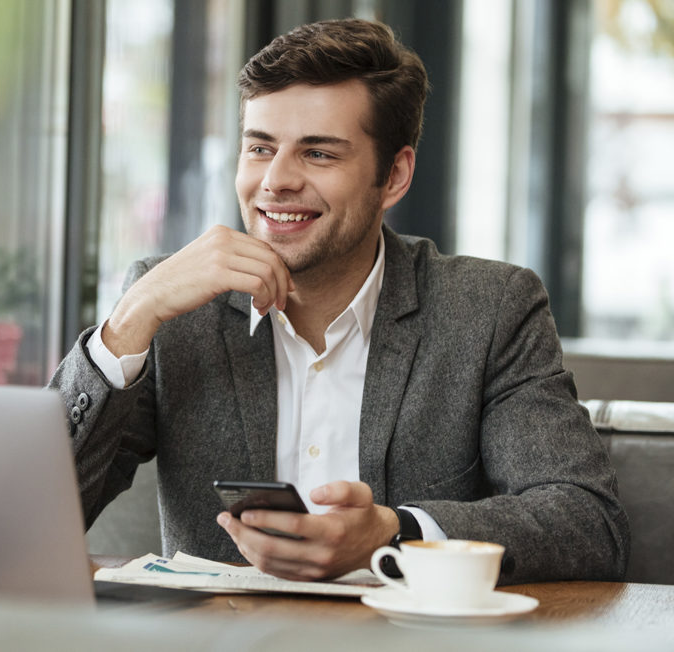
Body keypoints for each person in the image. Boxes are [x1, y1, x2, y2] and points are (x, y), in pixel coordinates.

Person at [50, 18, 629, 584]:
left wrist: (394, 534)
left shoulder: (490, 308)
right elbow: (38, 510)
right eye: (259, 148)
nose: (275, 181)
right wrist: (127, 323)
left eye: (318, 154)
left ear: (395, 176)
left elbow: (585, 522)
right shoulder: (174, 307)